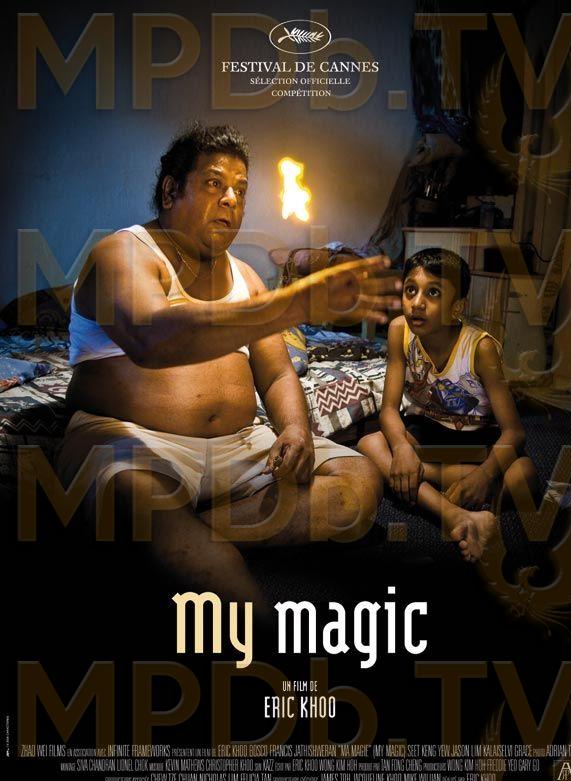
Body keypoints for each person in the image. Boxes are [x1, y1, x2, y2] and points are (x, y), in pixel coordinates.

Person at [55, 122, 402, 619]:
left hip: (239, 447)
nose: (231, 200)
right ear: (171, 191)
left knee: (358, 483)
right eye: (214, 183)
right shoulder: (122, 253)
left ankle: (185, 535)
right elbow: (152, 339)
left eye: (241, 189)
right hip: (132, 441)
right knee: (136, 502)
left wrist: (295, 429)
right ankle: (254, 630)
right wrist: (295, 303)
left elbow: (277, 375)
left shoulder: (245, 277)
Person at [357, 248, 538, 562]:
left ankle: (422, 480)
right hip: (427, 432)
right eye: (410, 290)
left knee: (524, 476)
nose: (417, 302)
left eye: (433, 293)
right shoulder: (399, 330)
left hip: (478, 442)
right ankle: (454, 513)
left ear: (457, 307)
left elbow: (514, 432)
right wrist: (401, 448)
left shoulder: (480, 348)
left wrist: (483, 476)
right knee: (369, 444)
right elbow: (388, 409)